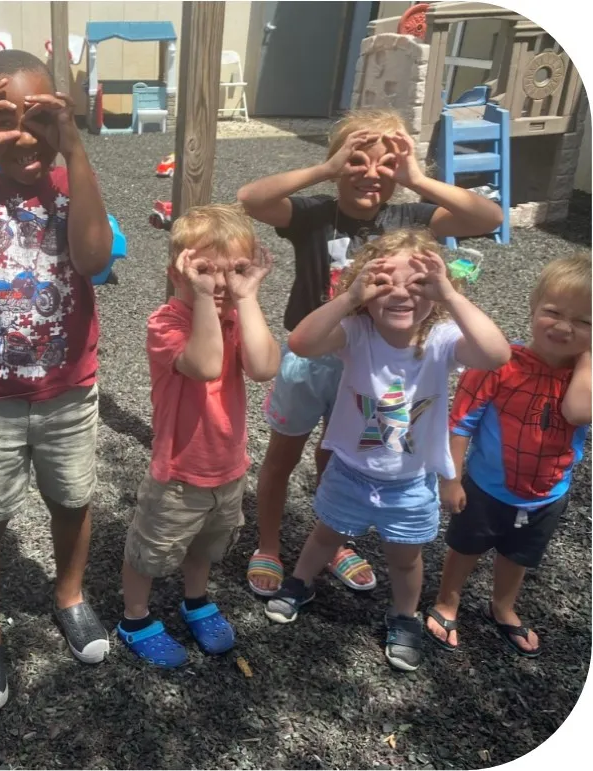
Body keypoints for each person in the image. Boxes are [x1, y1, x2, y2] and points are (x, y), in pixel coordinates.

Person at [237, 109, 504, 600]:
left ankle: (335, 538)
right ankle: (269, 543)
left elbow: (490, 217)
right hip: (313, 353)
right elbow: (250, 200)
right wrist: (324, 170)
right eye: (358, 161)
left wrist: (419, 179)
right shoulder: (316, 211)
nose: (371, 174)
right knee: (281, 456)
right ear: (339, 162)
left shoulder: (413, 218)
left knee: (339, 453)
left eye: (386, 165)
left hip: (374, 362)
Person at [0, 49, 114, 713]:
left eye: (39, 117)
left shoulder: (71, 187)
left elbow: (94, 258)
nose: (23, 135)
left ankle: (69, 593)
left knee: (71, 498)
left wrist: (77, 151)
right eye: (4, 118)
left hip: (67, 387)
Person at [262, 229, 510, 673]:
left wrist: (450, 295)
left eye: (419, 283)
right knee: (325, 535)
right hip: (350, 472)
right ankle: (300, 582)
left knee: (405, 558)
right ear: (364, 289)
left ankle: (404, 616)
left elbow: (495, 354)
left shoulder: (440, 341)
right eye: (383, 282)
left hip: (410, 482)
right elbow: (300, 342)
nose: (401, 292)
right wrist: (349, 297)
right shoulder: (355, 331)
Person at [118, 205, 280, 667]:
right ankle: (135, 617)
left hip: (227, 470)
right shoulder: (166, 324)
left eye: (236, 271)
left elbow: (266, 367)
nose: (220, 283)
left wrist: (247, 299)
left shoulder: (236, 316)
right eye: (205, 271)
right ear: (178, 274)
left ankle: (196, 599)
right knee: (150, 551)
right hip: (178, 475)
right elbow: (206, 364)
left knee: (206, 544)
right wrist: (206, 299)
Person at [425, 254, 591, 658]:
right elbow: (460, 423)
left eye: (585, 321)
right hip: (485, 487)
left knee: (517, 555)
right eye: (553, 312)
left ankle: (503, 605)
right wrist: (451, 478)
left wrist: (587, 360)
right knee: (465, 547)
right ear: (533, 307)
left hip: (548, 493)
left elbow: (577, 412)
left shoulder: (585, 379)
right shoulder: (499, 362)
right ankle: (448, 600)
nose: (565, 327)